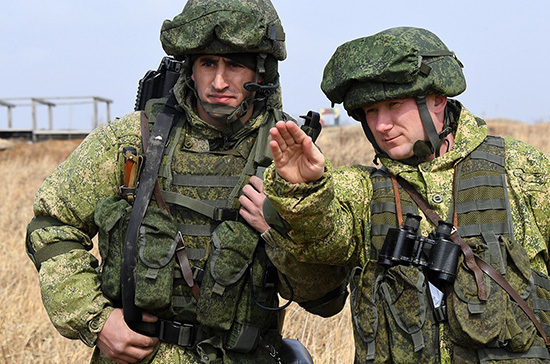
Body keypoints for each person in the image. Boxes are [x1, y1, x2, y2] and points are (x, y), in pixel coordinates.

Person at [24, 1, 345, 363]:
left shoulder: (289, 154)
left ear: (261, 70)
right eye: (208, 63)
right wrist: (96, 320)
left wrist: (284, 225)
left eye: (235, 64)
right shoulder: (133, 139)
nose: (219, 81)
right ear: (190, 68)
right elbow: (51, 224)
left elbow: (326, 299)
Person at [263, 26, 550, 363]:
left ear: (438, 99)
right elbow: (324, 234)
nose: (382, 124)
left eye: (394, 105)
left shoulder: (521, 169)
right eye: (371, 111)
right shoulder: (363, 191)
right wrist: (304, 190)